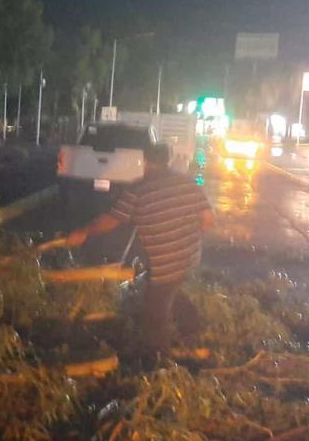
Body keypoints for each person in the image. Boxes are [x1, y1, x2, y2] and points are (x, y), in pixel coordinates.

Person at [66, 143, 214, 359]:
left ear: (145, 162)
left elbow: (112, 220)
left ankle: (159, 360)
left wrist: (84, 232)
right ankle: (191, 328)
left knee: (154, 311)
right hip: (190, 256)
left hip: (166, 261)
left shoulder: (139, 189)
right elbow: (208, 221)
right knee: (171, 287)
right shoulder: (187, 183)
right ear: (168, 160)